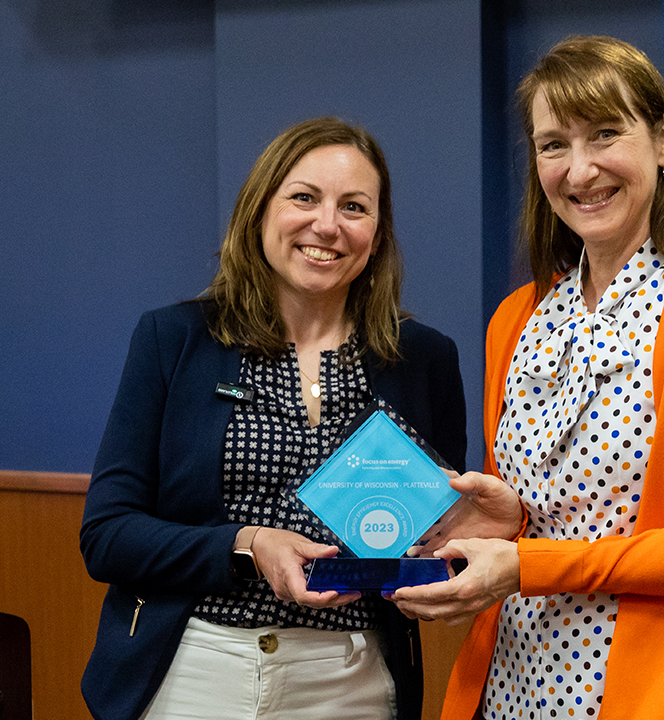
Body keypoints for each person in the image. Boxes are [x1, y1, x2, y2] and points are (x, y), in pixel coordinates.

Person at [392, 36, 664, 720]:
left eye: (605, 134)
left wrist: (532, 565)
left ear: (663, 141)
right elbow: (552, 516)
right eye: (553, 145)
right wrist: (508, 522)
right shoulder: (517, 319)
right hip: (509, 689)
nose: (580, 171)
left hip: (653, 694)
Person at [79, 118, 467, 720]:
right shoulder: (174, 339)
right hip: (192, 671)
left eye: (355, 207)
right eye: (304, 198)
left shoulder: (424, 359)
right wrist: (248, 545)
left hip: (354, 680)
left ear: (378, 233)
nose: (328, 226)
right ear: (259, 210)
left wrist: (435, 569)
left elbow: (440, 538)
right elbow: (106, 537)